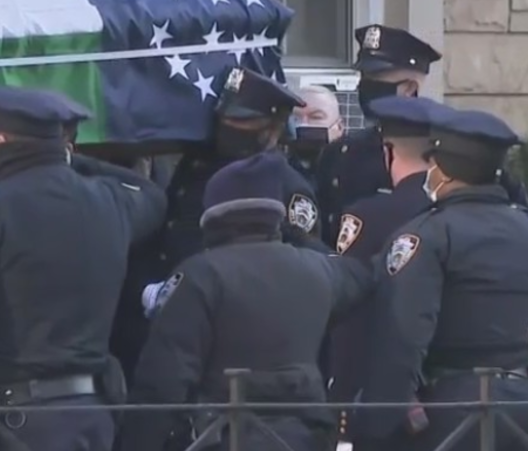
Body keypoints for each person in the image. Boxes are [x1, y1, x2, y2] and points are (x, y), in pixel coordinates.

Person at [0, 84, 167, 451]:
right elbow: (150, 195)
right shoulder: (110, 201)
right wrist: (63, 159)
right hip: (90, 415)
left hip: (15, 425)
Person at [119, 152, 375, 451]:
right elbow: (362, 277)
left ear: (212, 214)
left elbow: (164, 379)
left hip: (224, 436)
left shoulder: (201, 274)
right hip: (303, 438)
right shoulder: (317, 268)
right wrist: (297, 237)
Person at [351, 108, 528, 451]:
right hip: (526, 403)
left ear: (442, 169)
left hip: (454, 408)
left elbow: (404, 334)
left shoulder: (429, 235)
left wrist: (378, 424)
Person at [113, 66, 324, 383]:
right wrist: (147, 289)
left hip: (231, 345)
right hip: (163, 330)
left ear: (272, 130)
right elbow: (163, 237)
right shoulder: (196, 169)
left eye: (241, 122)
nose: (229, 129)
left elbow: (302, 272)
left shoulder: (288, 188)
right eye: (225, 119)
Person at [325, 95, 445, 438]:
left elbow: (350, 311)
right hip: (456, 395)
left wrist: (342, 398)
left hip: (385, 395)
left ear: (388, 151)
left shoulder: (370, 216)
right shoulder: (462, 214)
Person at [315, 24, 442, 245]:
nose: (364, 86)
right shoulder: (341, 152)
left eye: (376, 77)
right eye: (363, 76)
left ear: (410, 88)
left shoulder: (446, 151)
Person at [288, 84, 344, 188]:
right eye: (296, 117)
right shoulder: (275, 173)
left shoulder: (354, 172)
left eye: (316, 117)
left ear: (339, 127)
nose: (304, 124)